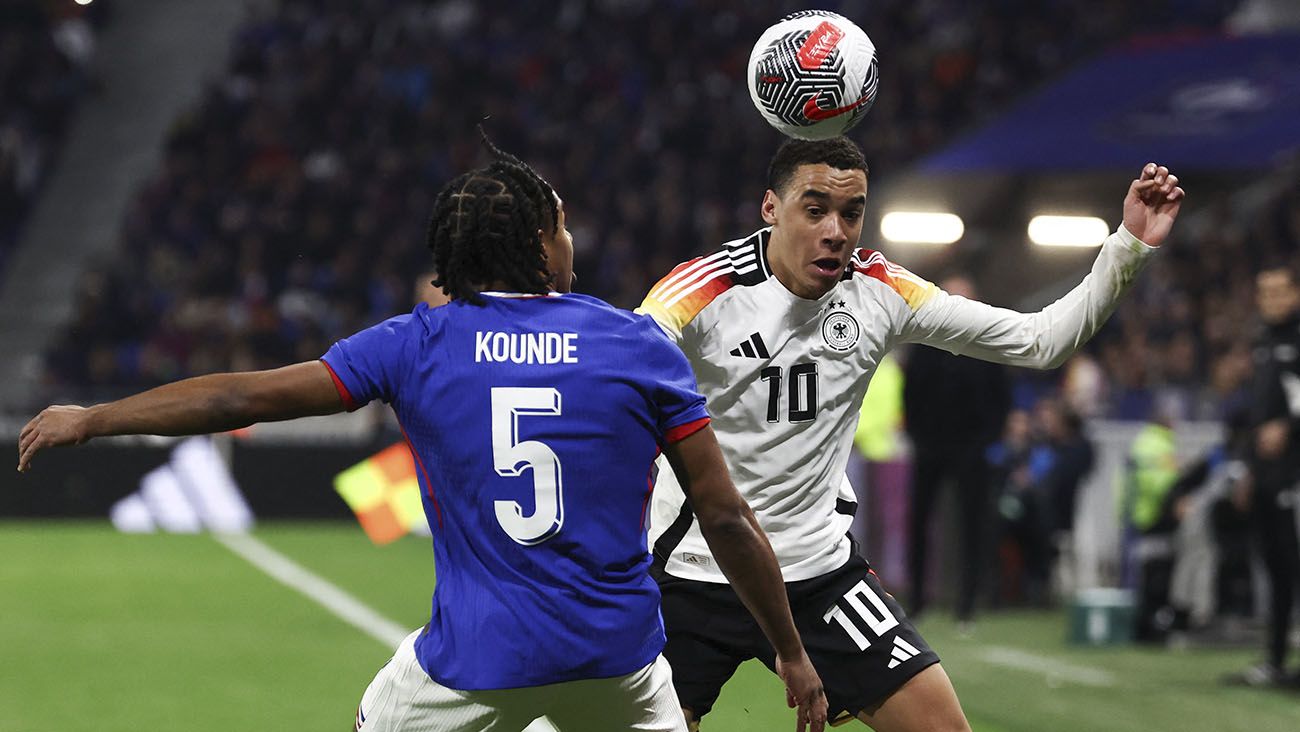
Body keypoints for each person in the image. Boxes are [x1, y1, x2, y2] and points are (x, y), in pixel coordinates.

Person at [17, 138, 829, 732]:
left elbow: (238, 395)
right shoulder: (638, 344)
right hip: (618, 662)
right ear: (541, 248)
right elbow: (725, 517)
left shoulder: (416, 342)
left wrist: (96, 418)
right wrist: (790, 652)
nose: (572, 240)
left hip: (477, 663)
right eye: (562, 227)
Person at [638, 136, 1183, 730]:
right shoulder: (702, 291)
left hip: (819, 578)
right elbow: (623, 370)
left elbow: (1039, 340)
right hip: (692, 574)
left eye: (851, 213)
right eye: (814, 209)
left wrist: (1128, 246)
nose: (836, 231)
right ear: (771, 209)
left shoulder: (881, 290)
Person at [902, 275, 1011, 624]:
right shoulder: (925, 343)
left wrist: (985, 441)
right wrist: (919, 438)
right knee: (919, 522)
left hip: (971, 449)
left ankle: (968, 603)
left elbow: (1000, 399)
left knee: (973, 525)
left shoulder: (987, 345)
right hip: (930, 446)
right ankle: (917, 599)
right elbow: (911, 394)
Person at [1226, 265, 1300, 687]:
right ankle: (1275, 661)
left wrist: (1289, 428)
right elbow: (1256, 418)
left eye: (1278, 291)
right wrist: (1246, 470)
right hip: (1269, 476)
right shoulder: (1263, 344)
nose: (1270, 300)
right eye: (1263, 292)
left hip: (1295, 474)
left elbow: (1283, 415)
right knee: (1276, 569)